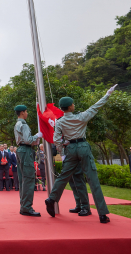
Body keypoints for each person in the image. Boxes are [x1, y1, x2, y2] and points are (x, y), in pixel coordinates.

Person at [46, 85, 117, 224]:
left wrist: (62, 152)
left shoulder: (59, 122)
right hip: (83, 146)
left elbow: (56, 139)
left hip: (70, 148)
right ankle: (102, 214)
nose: (73, 105)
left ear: (62, 108)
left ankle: (51, 199)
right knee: (93, 180)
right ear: (71, 107)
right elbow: (96, 106)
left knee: (63, 176)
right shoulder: (82, 116)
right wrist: (108, 93)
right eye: (72, 104)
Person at [14, 105, 43, 216]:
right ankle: (27, 207)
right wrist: (36, 136)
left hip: (21, 150)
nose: (27, 113)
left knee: (23, 179)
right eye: (26, 111)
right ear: (22, 113)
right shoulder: (23, 125)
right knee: (29, 179)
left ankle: (24, 206)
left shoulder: (17, 123)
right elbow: (28, 140)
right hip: (26, 150)